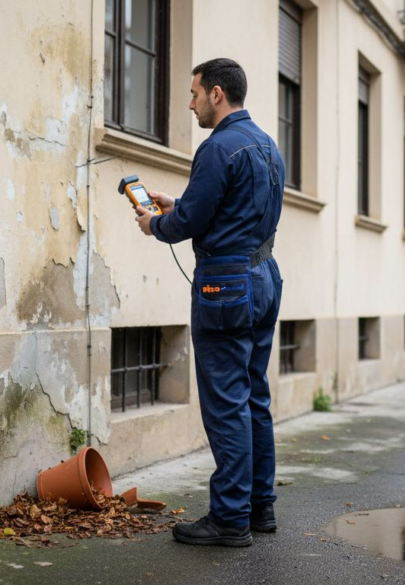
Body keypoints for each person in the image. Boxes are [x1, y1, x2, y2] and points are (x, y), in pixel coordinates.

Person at [134, 58, 284, 547]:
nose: (191, 103)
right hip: (264, 276)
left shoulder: (217, 147)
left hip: (226, 286)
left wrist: (156, 222)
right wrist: (179, 205)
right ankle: (259, 508)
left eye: (194, 93)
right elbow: (231, 212)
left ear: (217, 94)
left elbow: (190, 223)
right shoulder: (268, 145)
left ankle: (229, 519)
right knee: (253, 396)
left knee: (226, 403)